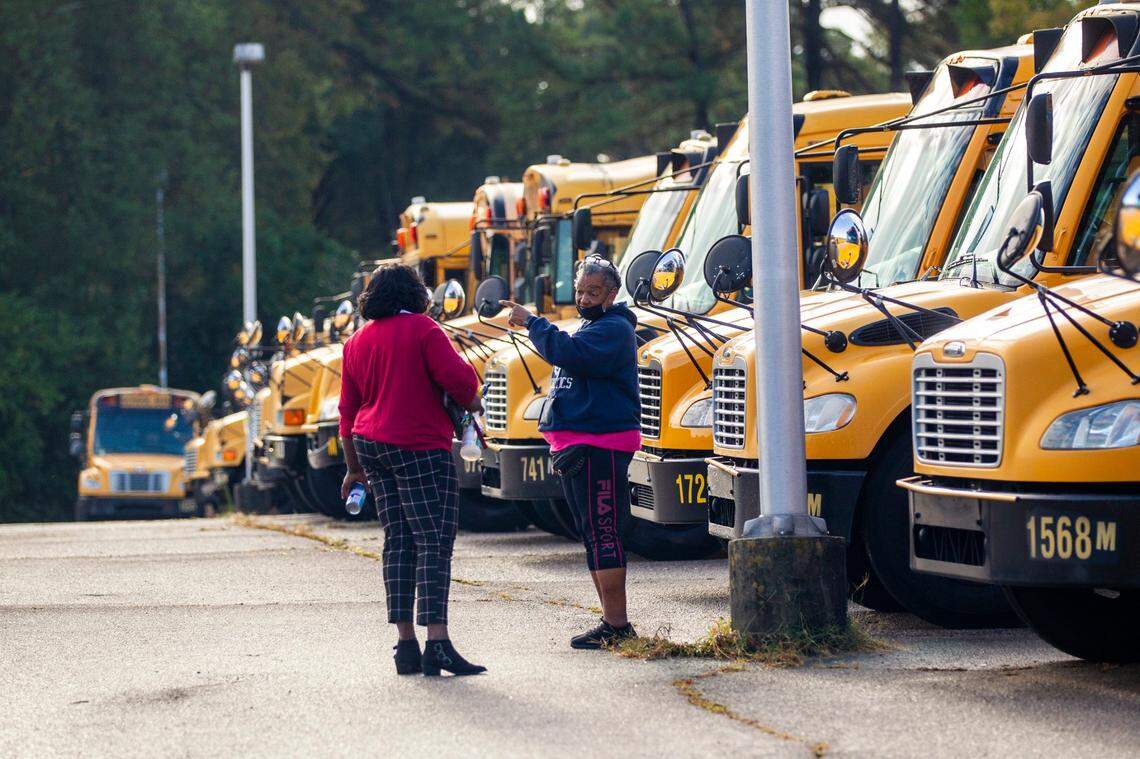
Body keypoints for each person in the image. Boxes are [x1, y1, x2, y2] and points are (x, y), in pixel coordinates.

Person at [339, 264, 486, 677]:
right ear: (416, 294)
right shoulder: (424, 330)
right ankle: (437, 642)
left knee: (398, 541)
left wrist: (353, 467)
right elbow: (462, 384)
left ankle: (406, 644)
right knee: (434, 540)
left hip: (370, 446)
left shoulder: (356, 341)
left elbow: (346, 410)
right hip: (418, 444)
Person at [500, 255, 641, 649]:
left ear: (612, 294)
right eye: (579, 291)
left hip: (601, 445)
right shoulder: (592, 325)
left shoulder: (612, 329)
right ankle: (610, 622)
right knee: (592, 534)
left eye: (593, 292)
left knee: (604, 532)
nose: (583, 298)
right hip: (581, 445)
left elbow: (568, 354)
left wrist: (532, 322)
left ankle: (618, 625)